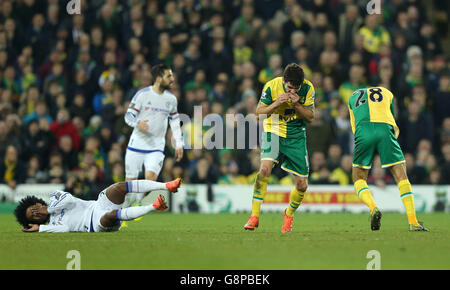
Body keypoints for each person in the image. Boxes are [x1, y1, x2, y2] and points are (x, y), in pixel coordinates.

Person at [243, 63, 315, 234]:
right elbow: (259, 113)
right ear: (283, 81)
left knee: (302, 185)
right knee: (264, 170)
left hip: (296, 134)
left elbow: (311, 117)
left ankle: (288, 214)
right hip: (273, 129)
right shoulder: (271, 86)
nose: (293, 92)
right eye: (290, 88)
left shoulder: (308, 88)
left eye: (296, 89)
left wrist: (297, 105)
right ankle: (254, 216)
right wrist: (276, 103)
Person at [347, 87, 429, 232]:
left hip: (363, 131)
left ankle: (373, 208)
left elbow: (354, 126)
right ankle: (413, 222)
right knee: (401, 175)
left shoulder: (352, 97)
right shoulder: (387, 93)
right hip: (385, 129)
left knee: (358, 178)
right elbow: (392, 115)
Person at [14, 178, 181, 233]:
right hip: (95, 224)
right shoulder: (51, 225)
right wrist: (41, 229)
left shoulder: (54, 196)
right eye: (33, 217)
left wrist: (49, 208)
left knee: (120, 187)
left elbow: (70, 200)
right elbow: (65, 229)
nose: (37, 214)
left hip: (97, 204)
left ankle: (167, 185)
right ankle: (154, 206)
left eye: (34, 210)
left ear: (37, 203)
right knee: (110, 216)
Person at [123, 64, 184, 207]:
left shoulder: (171, 99)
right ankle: (125, 209)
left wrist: (179, 143)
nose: (172, 79)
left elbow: (175, 121)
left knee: (150, 180)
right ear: (158, 78)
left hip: (156, 146)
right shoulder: (142, 95)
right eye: (168, 76)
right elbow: (128, 116)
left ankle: (137, 203)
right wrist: (137, 123)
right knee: (129, 184)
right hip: (136, 144)